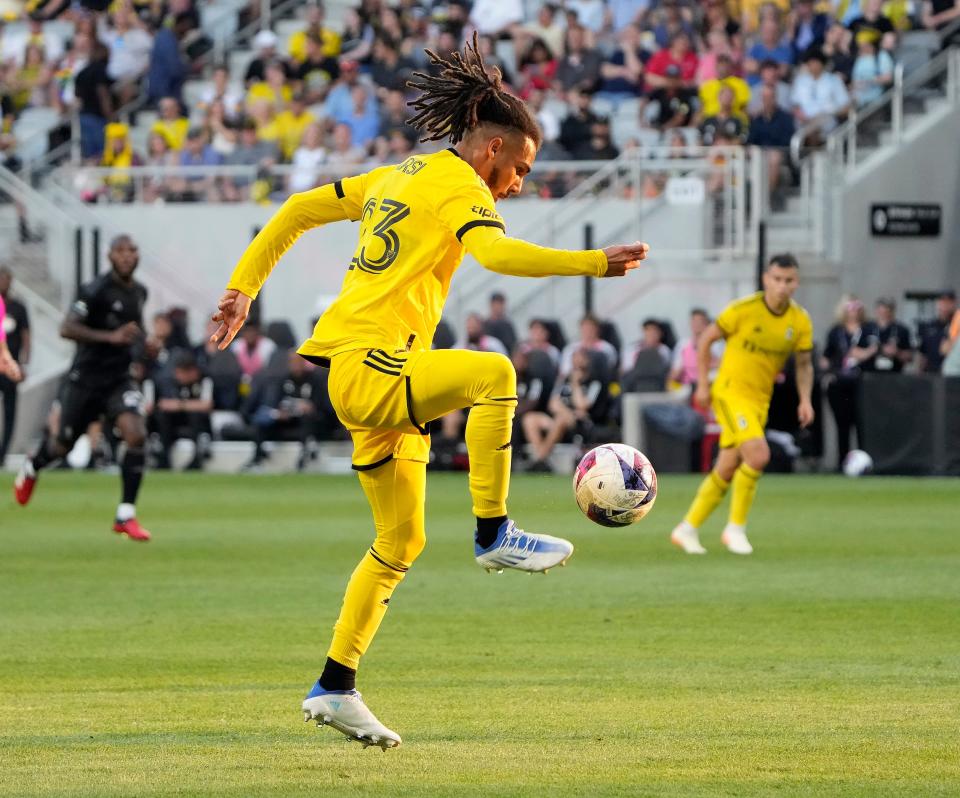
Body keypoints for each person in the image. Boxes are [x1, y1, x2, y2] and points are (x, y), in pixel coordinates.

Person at [209, 33, 649, 750]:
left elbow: (293, 209)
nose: (519, 184)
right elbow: (499, 254)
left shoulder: (398, 174)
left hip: (368, 375)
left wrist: (242, 289)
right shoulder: (457, 186)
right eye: (522, 169)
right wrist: (595, 262)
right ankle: (492, 533)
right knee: (495, 372)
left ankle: (335, 685)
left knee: (401, 539)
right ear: (495, 149)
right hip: (372, 363)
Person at [671, 254, 814, 556]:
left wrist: (805, 399)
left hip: (759, 400)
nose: (782, 286)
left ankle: (687, 528)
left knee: (726, 466)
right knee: (759, 455)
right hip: (731, 392)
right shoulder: (743, 310)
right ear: (766, 279)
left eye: (788, 280)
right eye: (777, 279)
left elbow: (803, 363)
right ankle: (735, 528)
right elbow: (707, 339)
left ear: (796, 283)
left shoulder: (799, 320)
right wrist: (702, 384)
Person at [14, 235, 153, 541]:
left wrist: (146, 345)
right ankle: (33, 465)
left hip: (118, 379)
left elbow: (135, 329)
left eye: (133, 250)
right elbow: (67, 328)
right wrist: (110, 337)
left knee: (136, 434)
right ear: (110, 256)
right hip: (86, 380)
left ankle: (125, 515)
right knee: (62, 445)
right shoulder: (94, 291)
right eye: (121, 251)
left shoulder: (140, 292)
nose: (128, 256)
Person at [821, 297, 877, 468]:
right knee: (842, 424)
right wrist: (829, 370)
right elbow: (826, 357)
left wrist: (864, 353)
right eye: (849, 307)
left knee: (862, 423)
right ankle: (842, 462)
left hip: (861, 383)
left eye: (856, 307)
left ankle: (864, 462)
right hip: (840, 382)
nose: (853, 310)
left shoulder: (868, 329)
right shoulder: (836, 331)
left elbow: (875, 348)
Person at [151, 350, 213, 470]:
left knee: (195, 415)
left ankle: (196, 458)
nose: (177, 376)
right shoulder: (173, 383)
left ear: (192, 372)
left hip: (203, 422)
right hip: (179, 419)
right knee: (163, 416)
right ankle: (164, 457)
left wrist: (180, 405)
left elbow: (206, 405)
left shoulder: (205, 380)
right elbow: (165, 403)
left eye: (181, 373)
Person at [0, 266, 29, 464]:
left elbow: (26, 336)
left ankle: (2, 454)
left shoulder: (18, 307)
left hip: (10, 367)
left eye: (7, 279)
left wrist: (24, 362)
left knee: (10, 411)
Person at [871, 297, 912, 373]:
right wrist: (872, 350)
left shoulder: (901, 329)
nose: (884, 313)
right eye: (881, 310)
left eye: (887, 309)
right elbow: (853, 351)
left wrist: (897, 352)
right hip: (868, 374)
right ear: (877, 310)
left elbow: (909, 356)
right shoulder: (867, 328)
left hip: (894, 375)